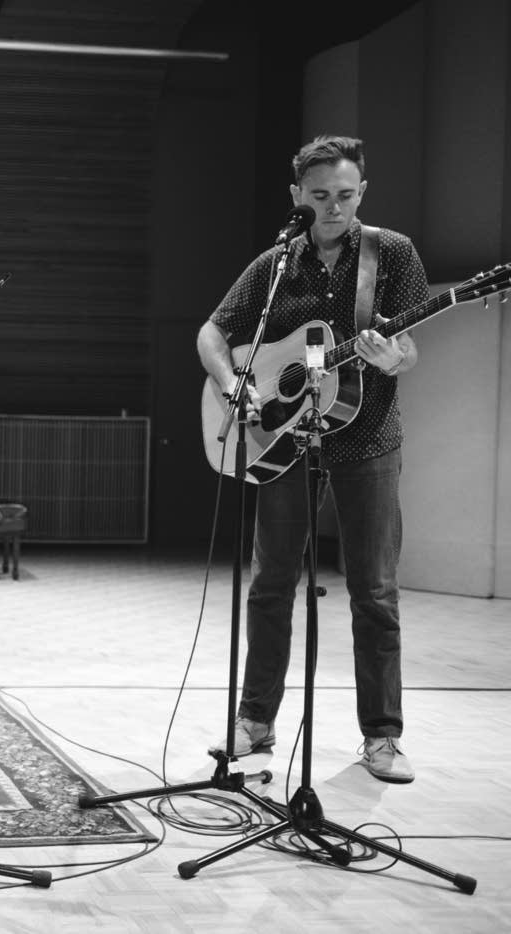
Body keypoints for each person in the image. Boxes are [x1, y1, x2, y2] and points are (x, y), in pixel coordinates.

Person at [197, 135, 424, 783]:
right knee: (271, 583)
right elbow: (215, 332)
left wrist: (395, 356)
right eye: (320, 196)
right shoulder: (275, 264)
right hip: (287, 444)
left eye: (347, 195)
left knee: (374, 591)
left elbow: (405, 348)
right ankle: (255, 722)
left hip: (368, 438)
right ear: (297, 195)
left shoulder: (393, 254)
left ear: (362, 192)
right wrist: (230, 380)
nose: (335, 208)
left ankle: (382, 736)